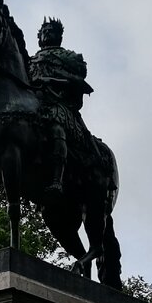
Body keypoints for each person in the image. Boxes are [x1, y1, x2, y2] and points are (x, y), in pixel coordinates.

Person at [28, 17, 106, 199]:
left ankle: (57, 178)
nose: (46, 33)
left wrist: (50, 80)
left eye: (51, 30)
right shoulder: (29, 61)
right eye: (43, 31)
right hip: (32, 104)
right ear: (39, 37)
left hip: (58, 103)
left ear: (59, 36)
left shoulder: (71, 58)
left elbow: (78, 81)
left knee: (56, 124)